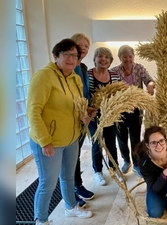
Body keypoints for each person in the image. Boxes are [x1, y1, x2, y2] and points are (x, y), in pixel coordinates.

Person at [27, 38, 94, 225]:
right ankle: (41, 220)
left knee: (67, 177)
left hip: (71, 138)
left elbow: (77, 107)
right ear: (56, 56)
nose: (71, 59)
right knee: (48, 183)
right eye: (66, 54)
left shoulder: (75, 78)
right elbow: (33, 111)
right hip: (50, 141)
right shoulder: (43, 77)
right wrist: (44, 140)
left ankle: (71, 207)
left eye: (75, 55)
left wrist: (85, 116)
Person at [110, 45, 155, 177]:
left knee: (135, 138)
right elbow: (110, 89)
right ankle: (126, 161)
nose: (128, 59)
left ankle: (136, 164)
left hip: (136, 109)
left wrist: (151, 86)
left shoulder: (139, 68)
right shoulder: (114, 71)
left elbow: (149, 80)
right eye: (125, 57)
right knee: (122, 138)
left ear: (133, 56)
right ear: (120, 58)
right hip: (120, 111)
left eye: (130, 56)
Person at [88, 47, 122, 186]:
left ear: (110, 61)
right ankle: (98, 172)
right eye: (100, 56)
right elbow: (84, 93)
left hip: (110, 115)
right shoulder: (88, 75)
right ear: (95, 59)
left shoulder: (114, 75)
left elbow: (118, 94)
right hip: (94, 115)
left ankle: (114, 168)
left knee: (111, 143)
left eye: (107, 57)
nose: (103, 59)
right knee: (97, 144)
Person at [70, 33, 94, 207]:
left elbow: (84, 92)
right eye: (81, 44)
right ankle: (70, 193)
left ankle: (78, 185)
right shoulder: (68, 67)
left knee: (76, 156)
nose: (84, 48)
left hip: (83, 118)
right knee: (69, 159)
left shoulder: (83, 67)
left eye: (87, 46)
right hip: (70, 118)